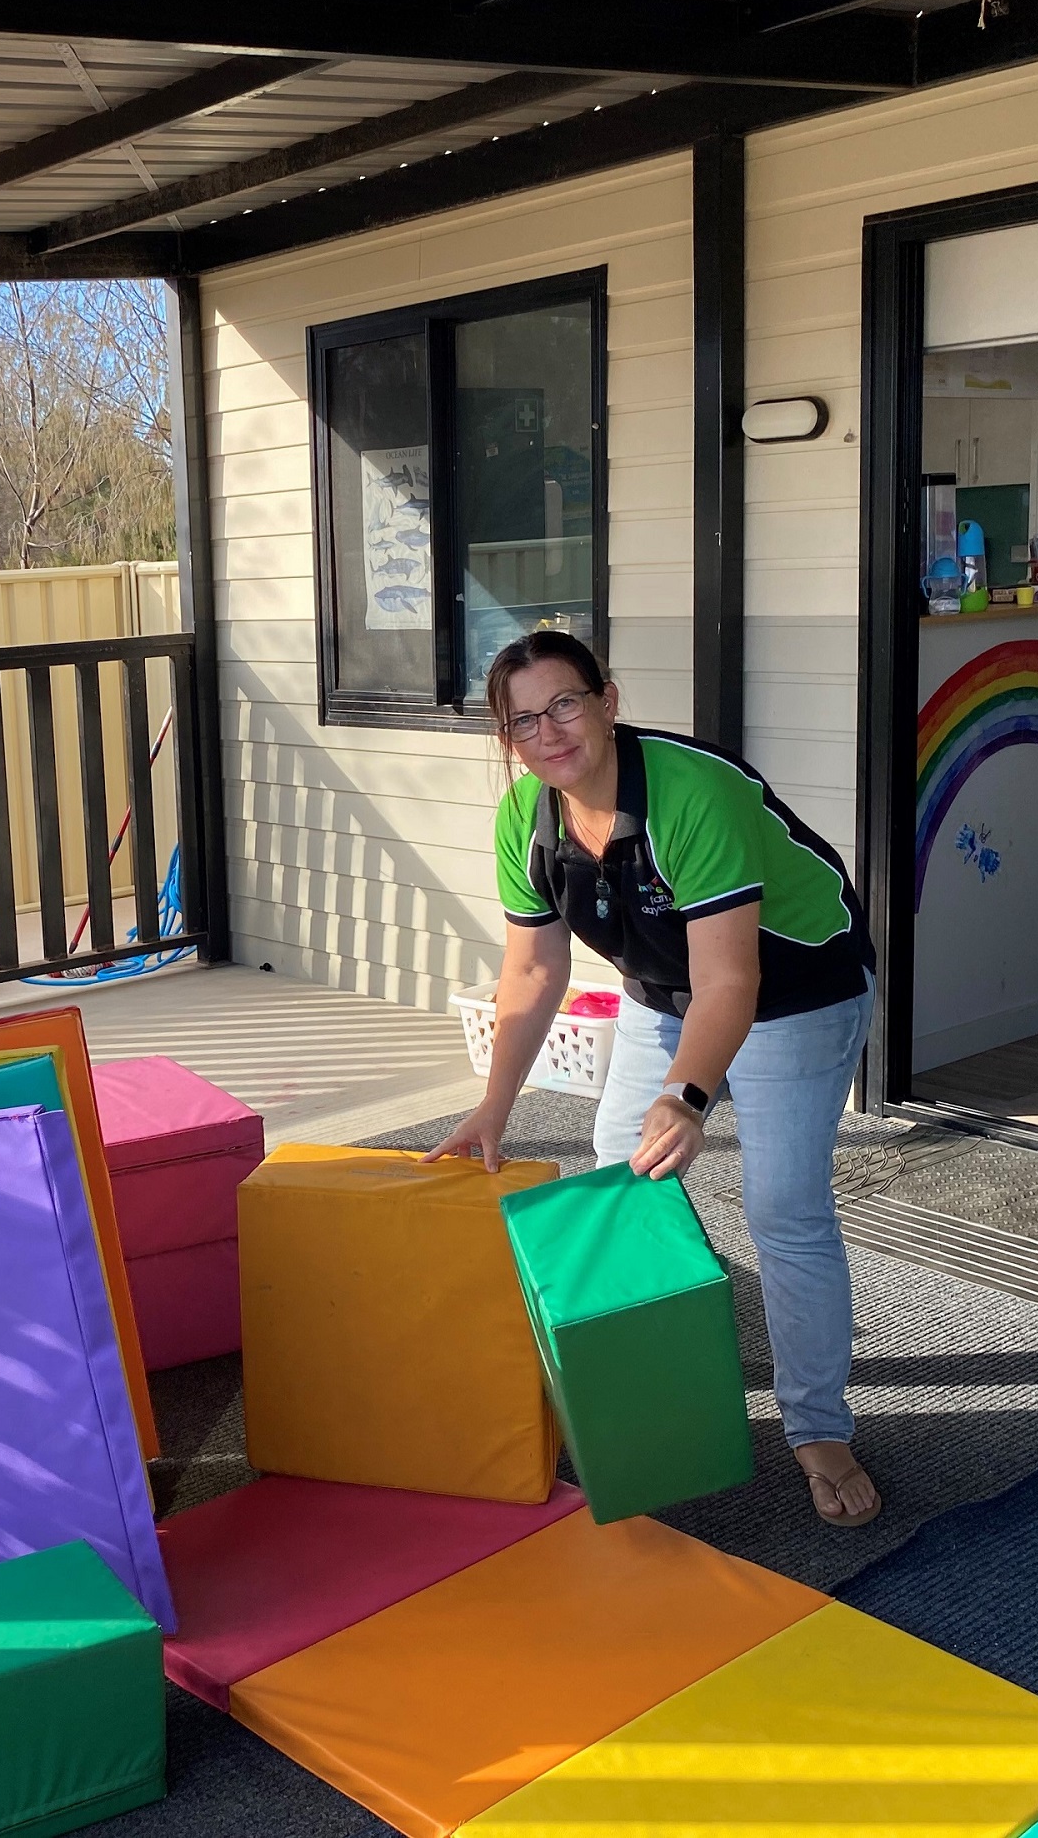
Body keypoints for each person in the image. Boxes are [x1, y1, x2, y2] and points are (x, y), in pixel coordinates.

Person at [429, 630, 882, 1528]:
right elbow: (530, 973)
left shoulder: (690, 792)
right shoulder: (527, 818)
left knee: (783, 1207)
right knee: (619, 1169)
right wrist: (494, 1106)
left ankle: (818, 1427)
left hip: (797, 984)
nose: (548, 731)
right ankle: (664, 1356)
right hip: (666, 985)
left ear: (608, 698)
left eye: (564, 702)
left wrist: (687, 1095)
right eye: (522, 720)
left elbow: (733, 982)